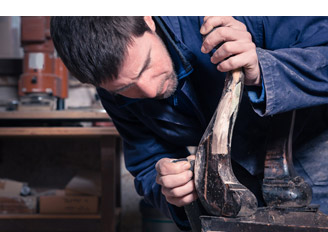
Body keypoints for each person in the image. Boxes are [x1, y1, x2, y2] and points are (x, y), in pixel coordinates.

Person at [50, 16, 328, 231]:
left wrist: (264, 68)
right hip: (236, 189)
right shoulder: (113, 89)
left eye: (146, 65)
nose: (148, 90)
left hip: (312, 153)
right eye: (127, 87)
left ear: (148, 20)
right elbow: (148, 162)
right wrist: (168, 187)